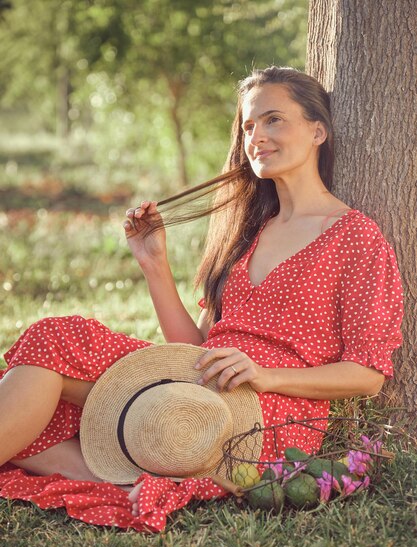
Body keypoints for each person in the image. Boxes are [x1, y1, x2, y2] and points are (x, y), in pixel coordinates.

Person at [0, 66, 403, 512]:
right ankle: (120, 482)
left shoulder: (355, 236)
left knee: (49, 417)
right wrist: (155, 265)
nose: (257, 137)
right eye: (248, 126)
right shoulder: (250, 230)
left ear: (318, 131)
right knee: (52, 341)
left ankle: (135, 473)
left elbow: (367, 375)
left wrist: (265, 375)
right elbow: (194, 348)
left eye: (274, 119)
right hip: (199, 376)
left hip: (270, 409)